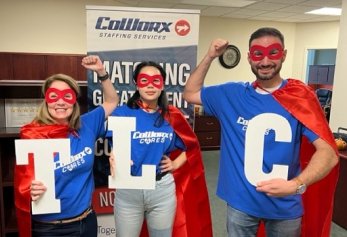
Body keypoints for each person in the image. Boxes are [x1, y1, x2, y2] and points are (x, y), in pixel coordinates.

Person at [183, 27, 339, 237]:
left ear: (283, 54)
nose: (265, 62)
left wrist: (296, 185)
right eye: (258, 54)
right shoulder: (232, 94)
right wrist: (210, 56)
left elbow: (328, 153)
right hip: (241, 204)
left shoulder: (301, 97)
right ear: (249, 57)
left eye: (273, 53)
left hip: (284, 207)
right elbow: (191, 93)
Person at [14, 55, 119, 237]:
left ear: (74, 100)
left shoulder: (87, 124)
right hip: (50, 228)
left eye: (67, 96)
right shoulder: (34, 135)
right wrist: (28, 190)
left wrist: (101, 72)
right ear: (46, 100)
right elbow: (23, 182)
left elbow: (112, 101)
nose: (60, 102)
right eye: (54, 96)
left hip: (86, 222)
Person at [107, 61, 212, 237]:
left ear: (162, 85)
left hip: (161, 189)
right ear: (136, 83)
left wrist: (176, 163)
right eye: (144, 80)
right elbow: (115, 146)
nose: (149, 85)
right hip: (129, 191)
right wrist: (113, 155)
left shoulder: (172, 116)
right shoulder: (122, 113)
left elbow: (192, 146)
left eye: (155, 80)